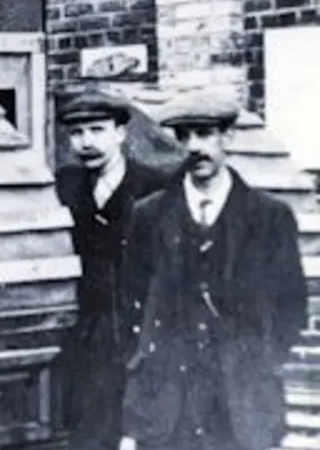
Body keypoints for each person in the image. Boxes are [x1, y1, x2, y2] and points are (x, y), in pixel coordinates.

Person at [119, 91, 307, 450]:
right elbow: (131, 299)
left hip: (241, 397)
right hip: (169, 397)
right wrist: (145, 362)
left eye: (204, 134)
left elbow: (291, 305)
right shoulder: (149, 215)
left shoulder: (268, 216)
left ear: (227, 137)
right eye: (184, 136)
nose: (194, 147)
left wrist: (262, 361)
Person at [54, 90, 165, 450]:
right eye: (77, 133)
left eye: (97, 130)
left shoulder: (156, 186)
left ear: (120, 133)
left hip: (140, 330)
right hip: (85, 332)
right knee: (89, 431)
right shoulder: (63, 186)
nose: (87, 142)